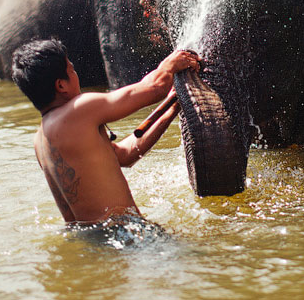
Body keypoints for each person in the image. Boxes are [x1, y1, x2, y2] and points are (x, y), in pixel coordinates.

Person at [11, 39, 200, 225]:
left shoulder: (40, 139)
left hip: (87, 240)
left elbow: (126, 155)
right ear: (61, 85)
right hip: (121, 231)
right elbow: (154, 88)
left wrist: (171, 110)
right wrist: (168, 65)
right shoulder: (78, 110)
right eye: (72, 70)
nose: (76, 74)